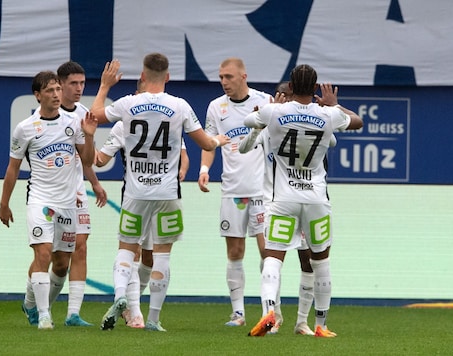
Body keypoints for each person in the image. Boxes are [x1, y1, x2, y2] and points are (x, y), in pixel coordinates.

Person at [90, 53, 229, 331]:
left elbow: (94, 116)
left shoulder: (128, 104)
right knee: (162, 254)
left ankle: (121, 298)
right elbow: (205, 143)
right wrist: (217, 140)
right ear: (168, 77)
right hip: (167, 193)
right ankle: (153, 318)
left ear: (142, 76)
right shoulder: (179, 106)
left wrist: (105, 86)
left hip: (135, 192)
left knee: (127, 248)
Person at [244, 64, 362, 337]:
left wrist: (266, 113)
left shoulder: (275, 111)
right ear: (315, 88)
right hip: (316, 198)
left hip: (283, 198)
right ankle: (320, 324)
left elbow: (250, 123)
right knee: (320, 262)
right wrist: (335, 105)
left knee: (273, 257)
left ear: (292, 87)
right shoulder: (328, 114)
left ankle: (269, 312)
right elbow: (358, 122)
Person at [0, 70, 98, 330]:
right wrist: (4, 204)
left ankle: (30, 303)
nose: (56, 94)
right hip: (41, 199)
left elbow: (87, 162)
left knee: (62, 263)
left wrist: (88, 135)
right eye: (50, 91)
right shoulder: (25, 128)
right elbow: (13, 168)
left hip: (68, 203)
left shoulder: (73, 122)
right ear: (37, 95)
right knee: (42, 253)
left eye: (57, 89)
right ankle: (44, 315)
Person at [197, 58, 273, 327]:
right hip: (232, 189)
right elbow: (208, 142)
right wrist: (204, 169)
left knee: (268, 251)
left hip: (262, 192)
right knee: (235, 250)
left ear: (243, 76)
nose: (224, 82)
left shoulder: (265, 102)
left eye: (228, 77)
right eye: (221, 77)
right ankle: (238, 313)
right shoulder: (216, 107)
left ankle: (269, 312)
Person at [96, 117, 190, 329]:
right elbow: (101, 159)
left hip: (146, 196)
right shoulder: (127, 124)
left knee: (146, 256)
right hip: (152, 195)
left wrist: (182, 169)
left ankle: (128, 302)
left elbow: (184, 155)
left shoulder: (168, 120)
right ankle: (137, 314)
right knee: (143, 252)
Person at [50, 61, 108, 327]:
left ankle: (73, 313)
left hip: (77, 192)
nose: (79, 88)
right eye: (73, 83)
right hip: (51, 194)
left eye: (82, 83)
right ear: (59, 84)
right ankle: (38, 303)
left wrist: (94, 183)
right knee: (58, 261)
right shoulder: (47, 115)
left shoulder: (84, 113)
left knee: (81, 248)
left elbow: (85, 158)